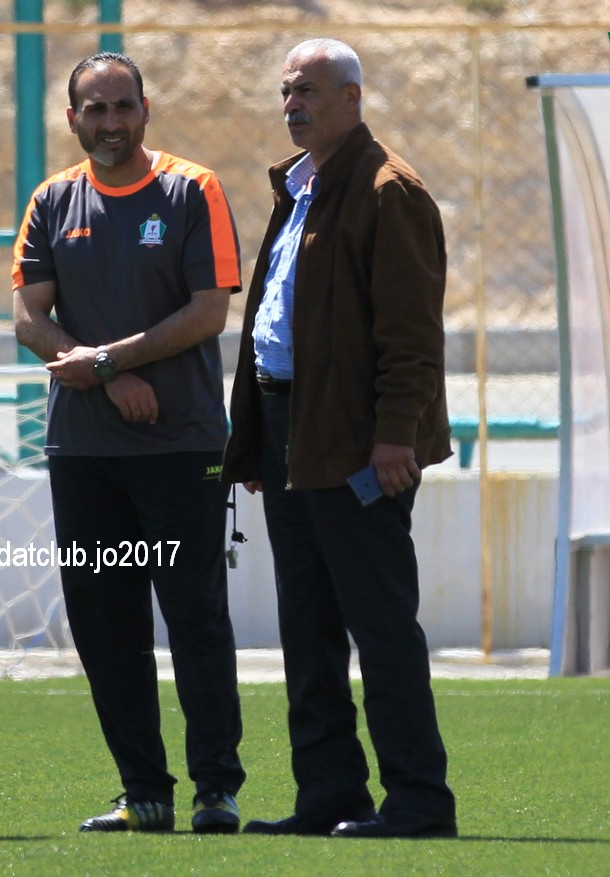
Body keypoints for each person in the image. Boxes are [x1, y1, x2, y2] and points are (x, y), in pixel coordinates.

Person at [223, 38, 457, 839]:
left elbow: (412, 336)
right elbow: (274, 325)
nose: (293, 104)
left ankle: (419, 801)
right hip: (289, 429)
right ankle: (330, 794)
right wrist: (256, 443)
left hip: (357, 441)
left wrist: (394, 437)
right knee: (308, 625)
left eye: (310, 91)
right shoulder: (301, 187)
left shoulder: (391, 191)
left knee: (380, 624)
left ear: (353, 98)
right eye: (287, 91)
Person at [12, 51, 246, 834]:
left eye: (123, 107)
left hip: (179, 448)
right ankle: (144, 789)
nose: (110, 122)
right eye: (95, 109)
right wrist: (104, 374)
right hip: (84, 453)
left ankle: (216, 788)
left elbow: (209, 310)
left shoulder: (192, 189)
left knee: (195, 618)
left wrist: (110, 359)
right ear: (72, 118)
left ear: (145, 110)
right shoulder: (52, 200)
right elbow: (28, 318)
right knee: (106, 627)